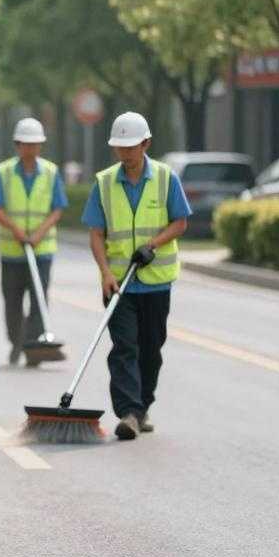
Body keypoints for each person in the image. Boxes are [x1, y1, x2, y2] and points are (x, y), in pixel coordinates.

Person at [81, 111, 191, 441]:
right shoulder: (103, 183)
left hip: (156, 281)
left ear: (146, 143)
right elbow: (96, 233)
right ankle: (128, 412)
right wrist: (104, 273)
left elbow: (180, 222)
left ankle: (142, 407)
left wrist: (152, 245)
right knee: (124, 347)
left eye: (131, 147)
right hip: (118, 283)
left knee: (150, 349)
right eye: (120, 148)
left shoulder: (165, 177)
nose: (126, 154)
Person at [0, 118, 68, 366]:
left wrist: (39, 234)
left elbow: (58, 208)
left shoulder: (51, 172)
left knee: (38, 300)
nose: (31, 148)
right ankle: (17, 342)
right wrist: (18, 232)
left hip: (41, 250)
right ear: (17, 145)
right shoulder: (5, 171)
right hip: (12, 251)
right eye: (27, 144)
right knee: (12, 302)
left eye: (36, 144)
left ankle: (34, 349)